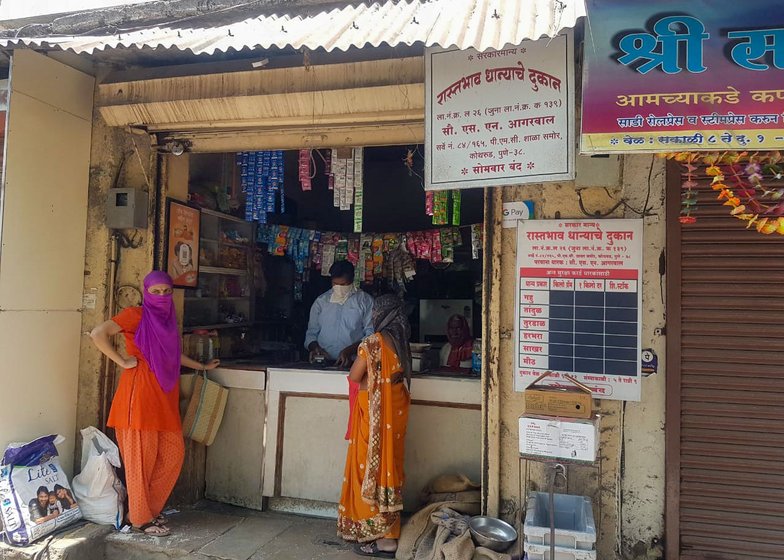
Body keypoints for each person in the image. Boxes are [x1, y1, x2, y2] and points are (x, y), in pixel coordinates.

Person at [90, 271, 220, 537]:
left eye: (166, 291)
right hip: (139, 396)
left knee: (173, 455)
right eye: (156, 291)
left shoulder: (168, 318)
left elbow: (172, 354)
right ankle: (139, 518)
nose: (161, 296)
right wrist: (122, 361)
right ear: (146, 291)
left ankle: (144, 509)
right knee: (141, 462)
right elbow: (98, 333)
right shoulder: (135, 315)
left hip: (164, 395)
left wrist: (202, 366)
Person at [337, 294, 412, 558]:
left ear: (381, 315)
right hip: (396, 411)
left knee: (368, 468)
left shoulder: (372, 343)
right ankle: (389, 537)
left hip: (374, 415)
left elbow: (355, 376)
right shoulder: (402, 343)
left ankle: (374, 535)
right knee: (390, 468)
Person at [305, 261, 374, 368]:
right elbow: (311, 334)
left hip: (354, 364)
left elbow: (371, 336)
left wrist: (349, 351)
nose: (339, 288)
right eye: (335, 284)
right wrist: (315, 348)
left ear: (352, 280)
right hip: (323, 363)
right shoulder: (321, 302)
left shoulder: (365, 301)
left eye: (343, 284)